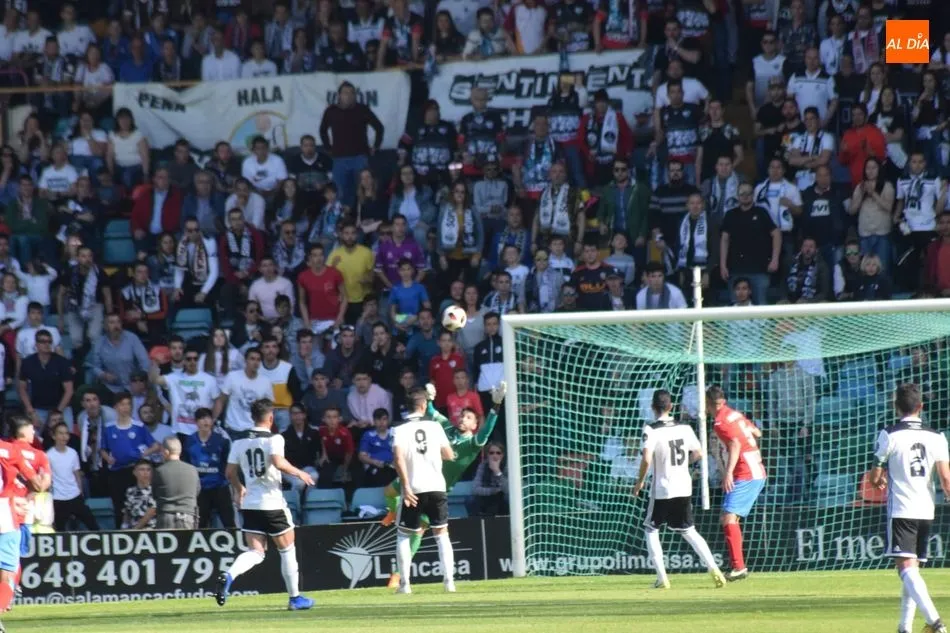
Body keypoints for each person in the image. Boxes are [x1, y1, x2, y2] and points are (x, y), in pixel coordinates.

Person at [384, 381, 506, 589]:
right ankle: (393, 512)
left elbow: (486, 431)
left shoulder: (472, 444)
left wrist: (495, 406)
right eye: (462, 415)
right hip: (418, 478)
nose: (463, 418)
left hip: (435, 486)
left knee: (417, 532)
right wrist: (431, 398)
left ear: (475, 425)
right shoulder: (446, 429)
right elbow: (432, 412)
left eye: (469, 417)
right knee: (388, 491)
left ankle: (399, 577)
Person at [215, 399, 315, 611]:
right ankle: (295, 598)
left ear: (252, 417)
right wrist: (300, 473)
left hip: (250, 504)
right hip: (272, 503)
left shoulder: (239, 441)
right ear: (270, 418)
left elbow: (229, 473)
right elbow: (278, 462)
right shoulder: (274, 438)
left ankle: (229, 575)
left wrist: (239, 488)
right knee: (287, 550)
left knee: (256, 551)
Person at [870, 383, 950, 633]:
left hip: (902, 509)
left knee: (905, 568)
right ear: (921, 407)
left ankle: (935, 623)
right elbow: (946, 478)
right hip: (926, 509)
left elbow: (875, 476)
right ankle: (904, 627)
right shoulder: (937, 436)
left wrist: (879, 479)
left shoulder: (889, 434)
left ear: (896, 407)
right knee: (911, 569)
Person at [633, 389, 726, 589]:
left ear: (653, 407)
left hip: (662, 488)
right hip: (684, 486)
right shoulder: (684, 428)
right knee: (689, 530)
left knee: (651, 529)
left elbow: (647, 458)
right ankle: (714, 569)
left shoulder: (651, 429)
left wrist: (640, 481)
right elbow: (699, 453)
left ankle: (662, 578)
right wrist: (684, 465)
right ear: (671, 406)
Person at [391, 386, 458, 594]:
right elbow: (449, 455)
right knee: (441, 533)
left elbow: (398, 458)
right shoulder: (435, 426)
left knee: (404, 534)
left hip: (414, 488)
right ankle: (449, 583)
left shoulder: (399, 430)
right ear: (423, 405)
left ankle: (405, 585)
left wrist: (405, 486)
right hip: (436, 486)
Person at [707, 385, 767, 582]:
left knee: (728, 518)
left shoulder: (720, 422)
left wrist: (728, 473)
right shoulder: (735, 414)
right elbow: (757, 433)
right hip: (755, 467)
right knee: (729, 518)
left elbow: (735, 444)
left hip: (746, 472)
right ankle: (738, 565)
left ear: (707, 403)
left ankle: (739, 567)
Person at [184, 408, 235, 528]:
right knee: (201, 525)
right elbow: (186, 465)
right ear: (196, 422)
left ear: (212, 421)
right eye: (202, 418)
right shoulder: (189, 441)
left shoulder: (222, 441)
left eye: (208, 418)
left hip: (220, 487)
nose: (205, 421)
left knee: (229, 523)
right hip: (200, 489)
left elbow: (228, 465)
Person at [47, 421, 99, 531]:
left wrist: (80, 491)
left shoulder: (73, 453)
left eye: (66, 433)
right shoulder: (48, 455)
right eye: (60, 433)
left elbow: (76, 474)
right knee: (60, 530)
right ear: (54, 436)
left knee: (93, 525)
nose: (64, 436)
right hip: (58, 498)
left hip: (75, 495)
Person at [152, 436, 200, 529]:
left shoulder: (159, 471)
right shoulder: (193, 470)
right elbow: (196, 492)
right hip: (188, 516)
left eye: (162, 451)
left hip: (166, 516)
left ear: (166, 452)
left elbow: (155, 495)